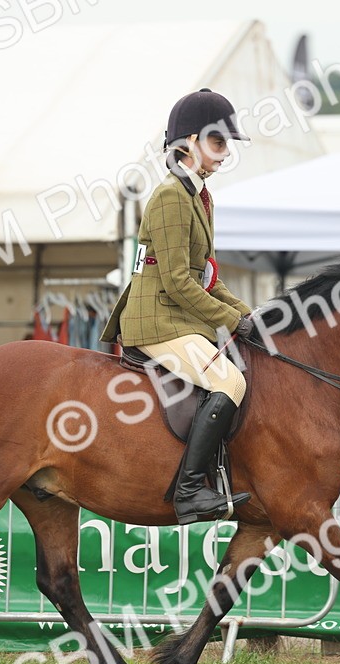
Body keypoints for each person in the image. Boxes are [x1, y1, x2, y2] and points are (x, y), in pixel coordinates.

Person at [100, 88, 256, 525]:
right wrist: (230, 320)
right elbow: (176, 281)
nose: (225, 153)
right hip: (157, 320)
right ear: (190, 141)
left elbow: (206, 276)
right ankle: (188, 491)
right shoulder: (171, 196)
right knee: (230, 381)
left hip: (178, 316)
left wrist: (249, 315)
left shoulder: (199, 196)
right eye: (218, 142)